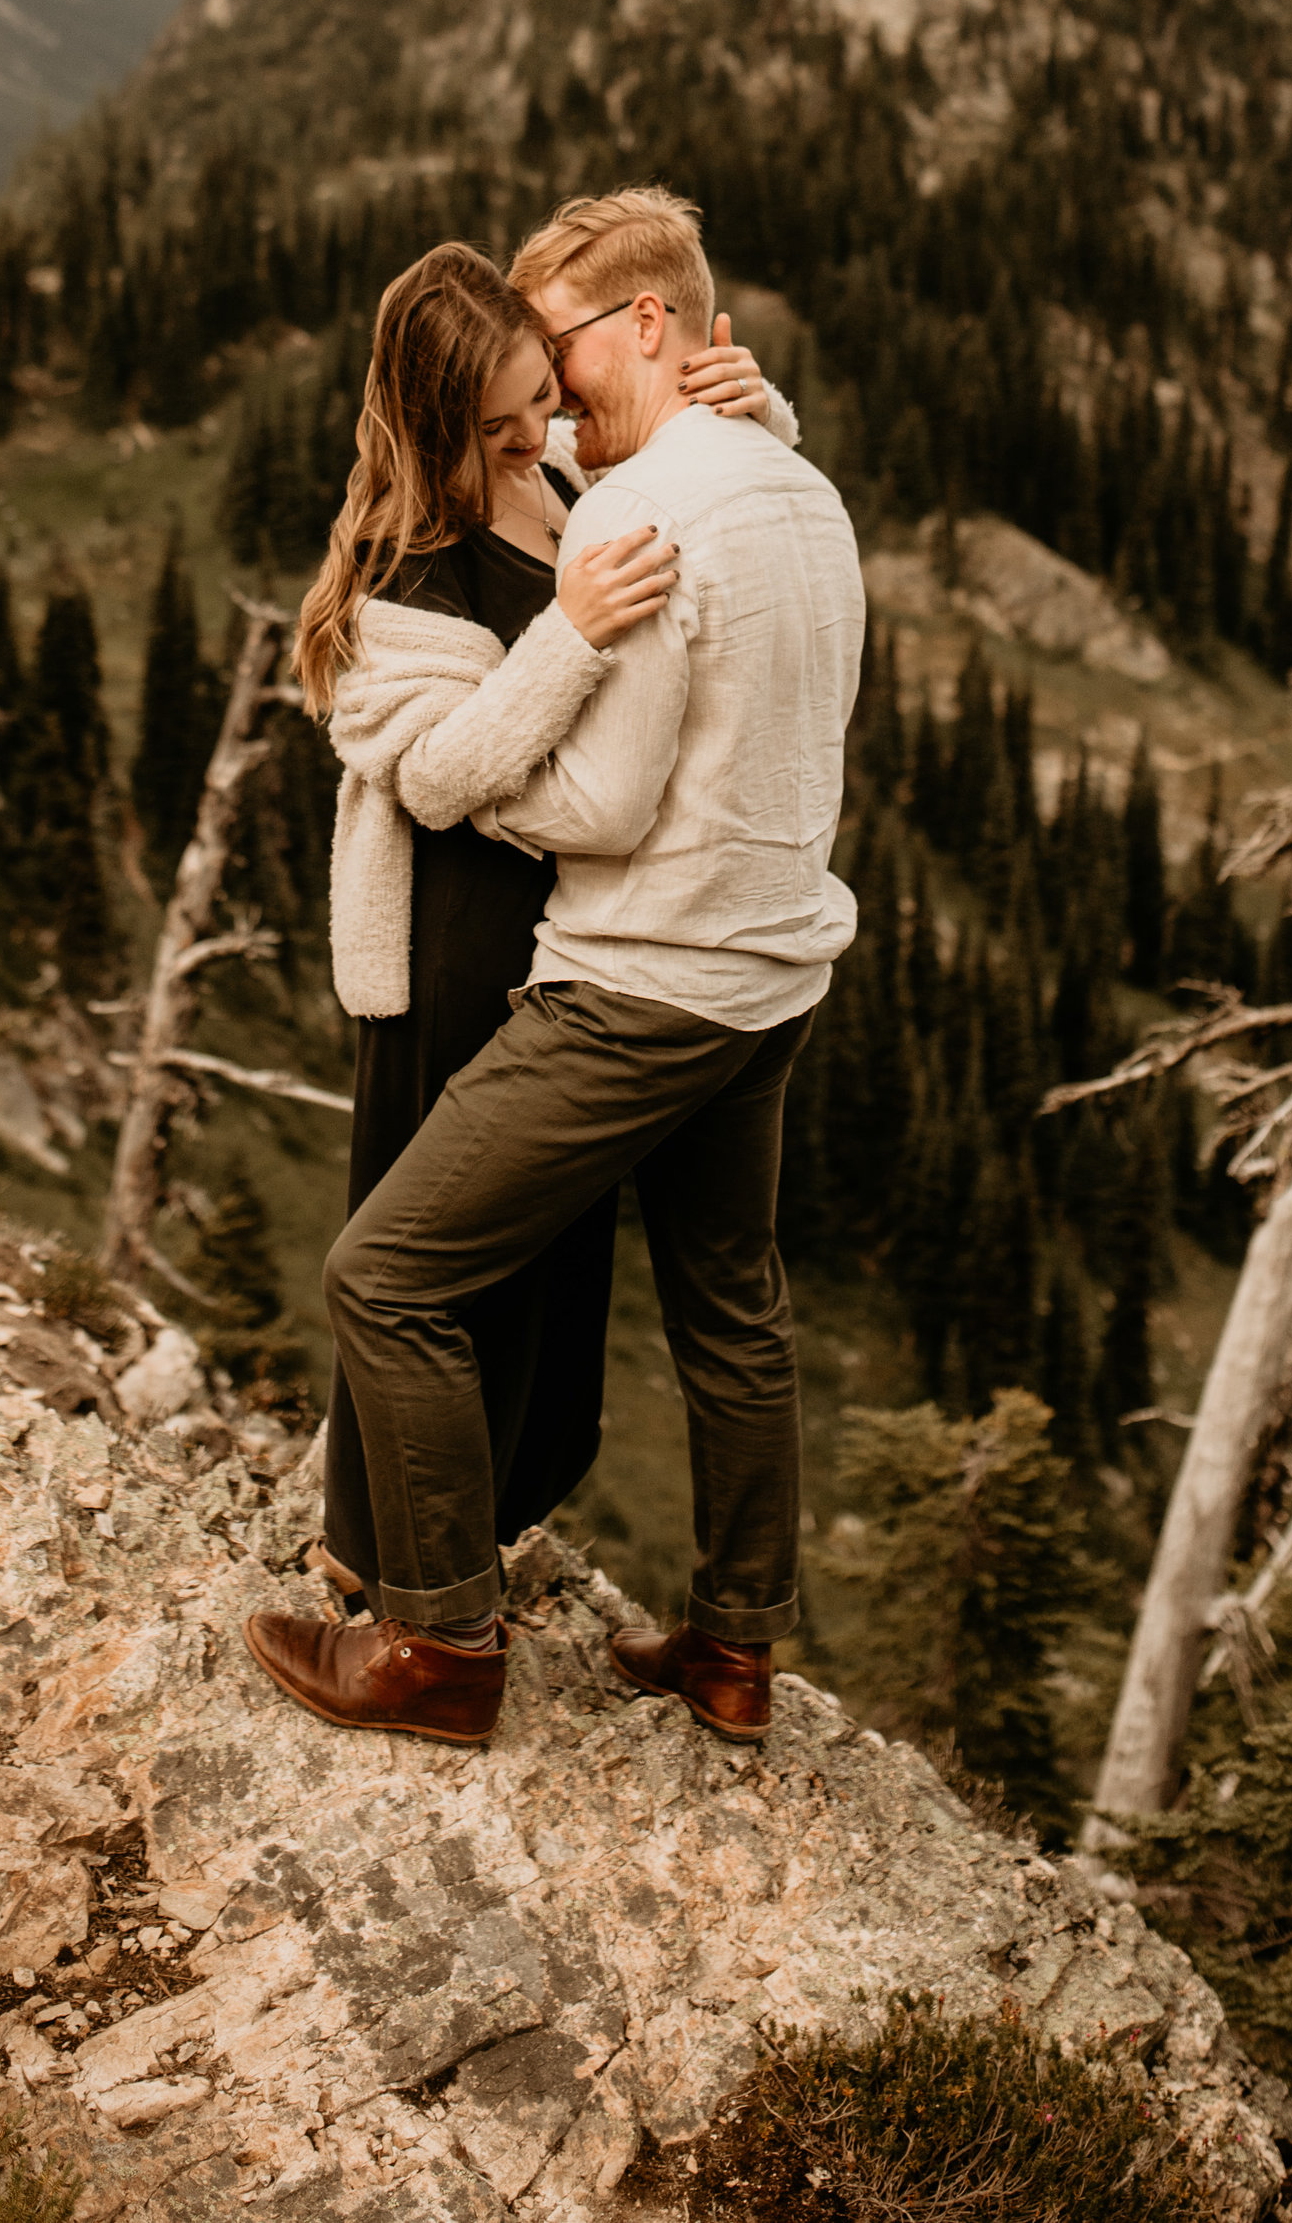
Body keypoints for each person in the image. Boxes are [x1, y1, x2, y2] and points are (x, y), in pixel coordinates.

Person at [247, 185, 863, 1752]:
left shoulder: (599, 486)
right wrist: (579, 625)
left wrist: (744, 416)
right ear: (444, 422)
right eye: (512, 417)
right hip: (493, 957)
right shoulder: (411, 571)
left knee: (424, 1278)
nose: (551, 426)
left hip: (621, 960)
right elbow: (439, 768)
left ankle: (450, 1641)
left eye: (552, 385)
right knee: (649, 1295)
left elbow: (605, 786)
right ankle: (527, 1602)